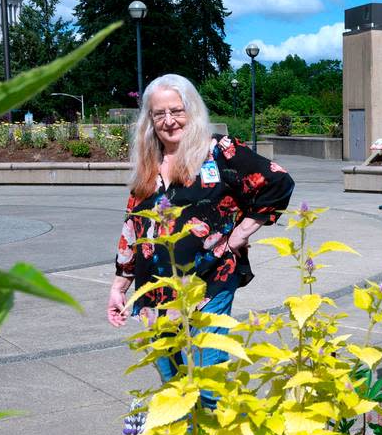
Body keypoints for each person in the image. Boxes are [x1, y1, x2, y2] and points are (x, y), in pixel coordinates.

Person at [108, 74, 294, 402]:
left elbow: (277, 182)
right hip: (157, 290)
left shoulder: (218, 151)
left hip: (210, 280)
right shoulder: (148, 162)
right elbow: (133, 224)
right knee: (173, 381)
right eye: (159, 113)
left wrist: (238, 235)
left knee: (207, 382)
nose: (169, 121)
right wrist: (119, 285)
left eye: (176, 111)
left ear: (191, 110)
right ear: (149, 119)